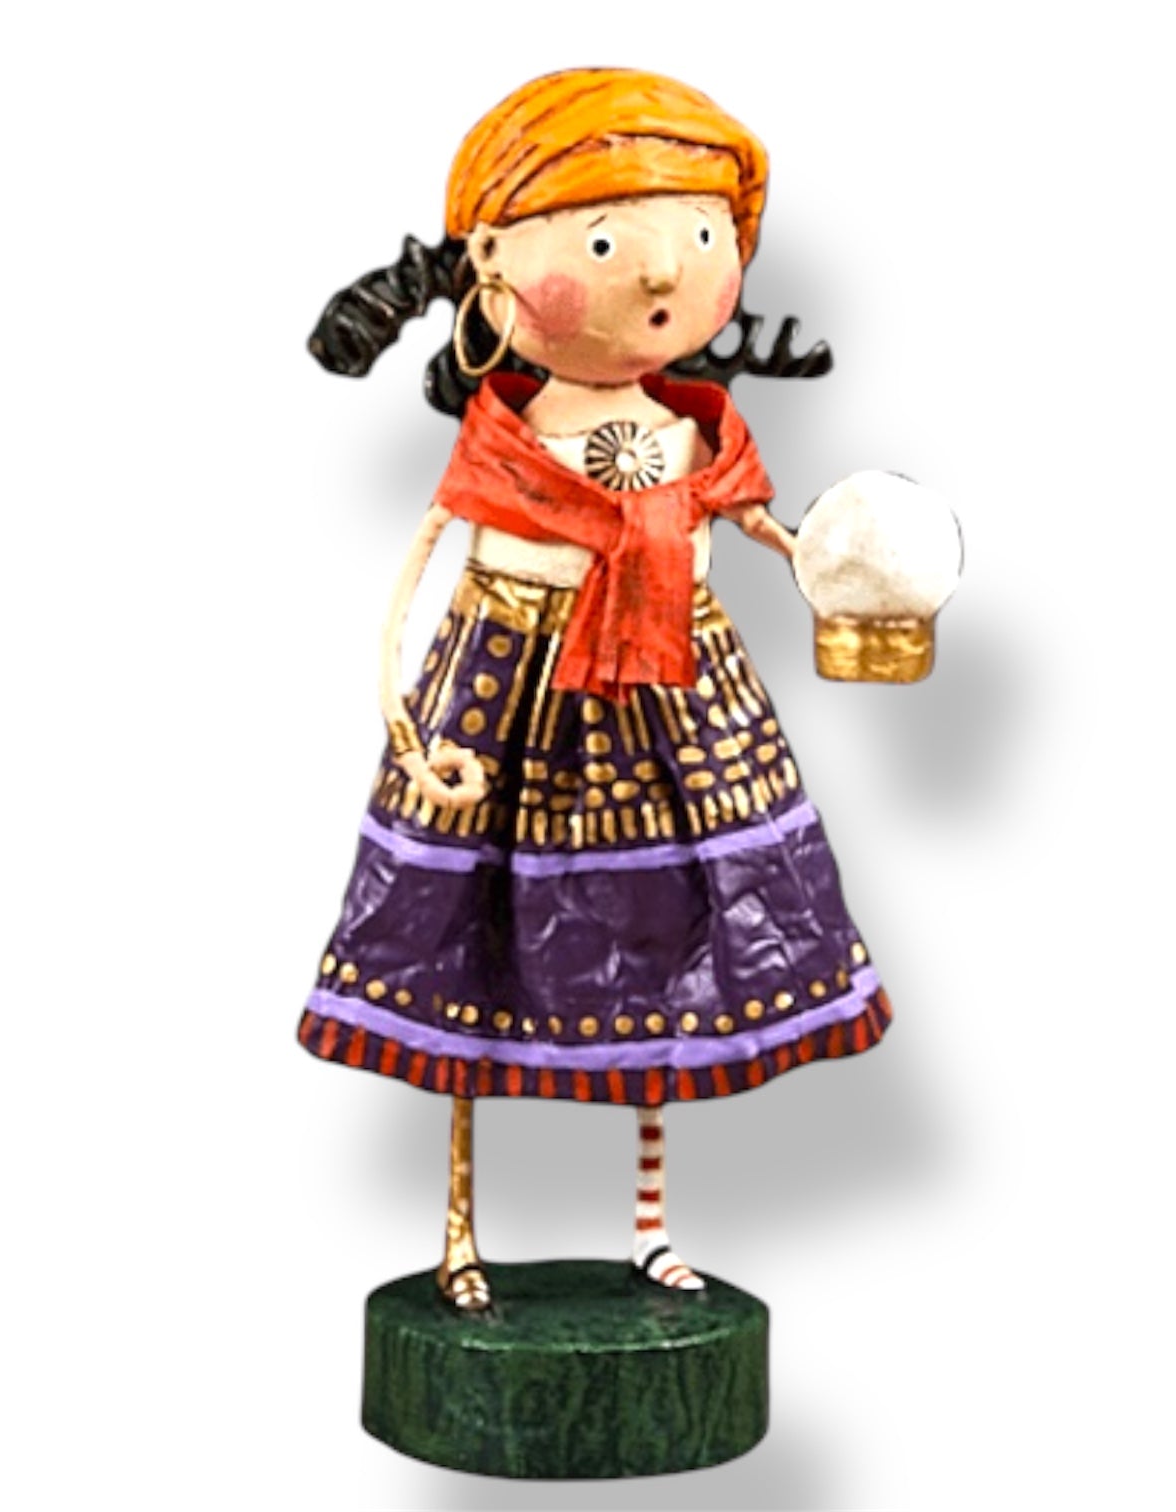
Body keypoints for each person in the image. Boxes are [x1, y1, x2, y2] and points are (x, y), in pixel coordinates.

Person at [298, 68, 891, 1311]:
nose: (665, 271)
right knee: (466, 948)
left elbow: (762, 530)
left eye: (702, 237)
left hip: (675, 694)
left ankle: (650, 1225)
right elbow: (419, 577)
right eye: (610, 242)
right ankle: (460, 1225)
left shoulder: (694, 433)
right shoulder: (503, 445)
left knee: (666, 944)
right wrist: (404, 721)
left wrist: (848, 572)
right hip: (506, 701)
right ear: (489, 263)